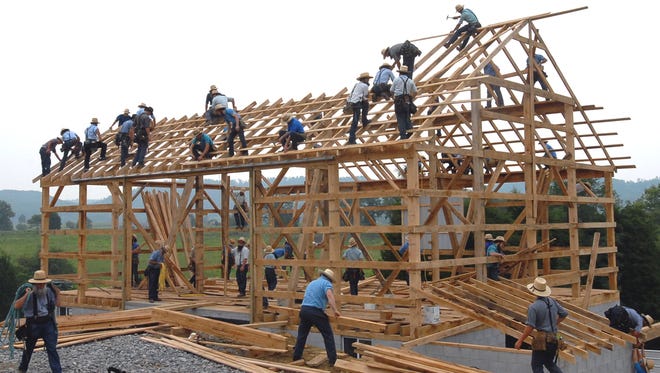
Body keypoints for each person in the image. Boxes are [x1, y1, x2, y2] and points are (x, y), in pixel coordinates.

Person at [515, 277, 568, 373]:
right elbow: (564, 313)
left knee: (536, 365)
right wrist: (554, 323)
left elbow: (530, 326)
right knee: (549, 362)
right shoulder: (552, 301)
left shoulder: (533, 307)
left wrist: (520, 340)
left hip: (542, 340)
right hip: (554, 338)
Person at [14, 270, 62, 373]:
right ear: (34, 283)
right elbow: (16, 306)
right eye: (38, 284)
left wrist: (58, 292)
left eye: (43, 283)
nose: (41, 285)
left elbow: (58, 304)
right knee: (29, 348)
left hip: (47, 323)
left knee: (51, 348)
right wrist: (27, 295)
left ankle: (57, 371)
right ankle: (22, 369)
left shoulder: (49, 291)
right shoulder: (28, 293)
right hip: (33, 324)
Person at [293, 268, 341, 366]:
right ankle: (333, 360)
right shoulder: (327, 284)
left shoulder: (312, 283)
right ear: (330, 279)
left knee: (302, 335)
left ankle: (296, 357)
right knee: (328, 335)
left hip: (304, 310)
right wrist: (335, 310)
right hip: (315, 311)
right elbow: (329, 296)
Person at [390, 65, 418, 140]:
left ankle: (403, 136)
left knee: (400, 118)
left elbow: (391, 90)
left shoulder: (396, 80)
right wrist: (411, 97)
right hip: (407, 100)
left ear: (400, 73)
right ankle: (410, 132)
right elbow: (415, 92)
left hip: (399, 101)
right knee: (407, 116)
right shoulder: (410, 81)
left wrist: (393, 98)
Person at [347, 72, 372, 145]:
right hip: (356, 103)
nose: (368, 80)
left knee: (365, 105)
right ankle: (352, 139)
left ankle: (364, 120)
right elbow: (365, 96)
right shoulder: (365, 86)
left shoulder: (356, 84)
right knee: (355, 121)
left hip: (352, 102)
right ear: (364, 79)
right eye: (367, 79)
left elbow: (352, 94)